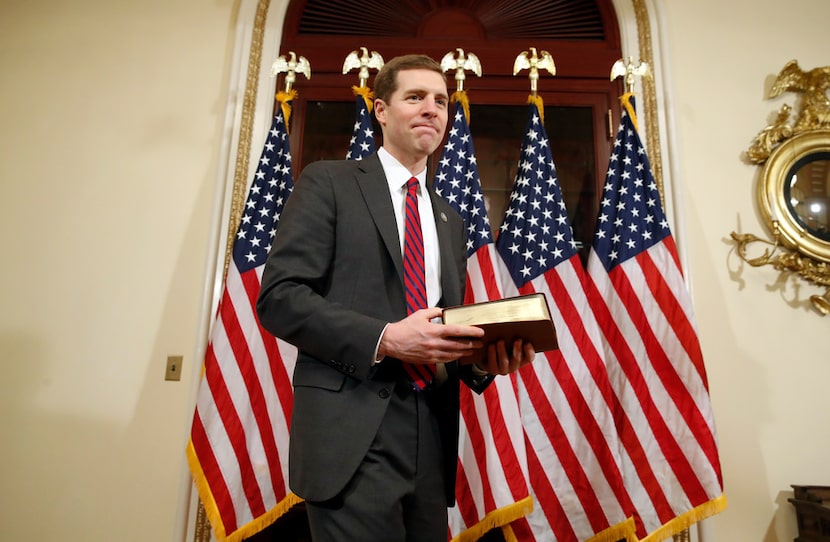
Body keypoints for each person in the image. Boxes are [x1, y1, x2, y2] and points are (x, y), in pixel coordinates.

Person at [256, 54, 535, 542]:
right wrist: (385, 338)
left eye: (441, 101)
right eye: (416, 97)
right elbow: (280, 298)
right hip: (353, 432)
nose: (432, 109)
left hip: (431, 432)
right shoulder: (329, 183)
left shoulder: (451, 220)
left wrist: (487, 360)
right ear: (381, 110)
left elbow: (442, 327)